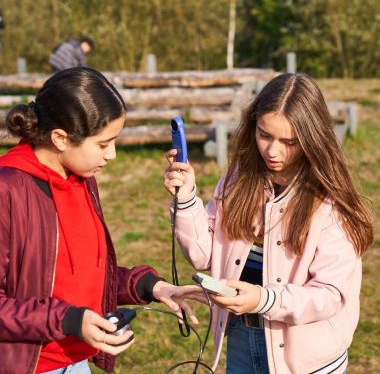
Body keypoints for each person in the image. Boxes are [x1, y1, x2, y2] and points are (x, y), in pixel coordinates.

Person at [163, 73, 373, 374]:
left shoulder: (329, 201)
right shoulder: (238, 179)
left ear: (313, 139)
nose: (273, 151)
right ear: (253, 126)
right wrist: (185, 200)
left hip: (306, 359)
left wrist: (263, 300)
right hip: (240, 340)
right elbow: (203, 255)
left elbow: (329, 295)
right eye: (265, 135)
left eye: (289, 142)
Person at [0, 67, 199, 374]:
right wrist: (68, 319)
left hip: (78, 363)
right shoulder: (8, 190)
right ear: (60, 139)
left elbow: (82, 275)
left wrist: (150, 286)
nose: (112, 155)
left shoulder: (82, 179)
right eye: (104, 144)